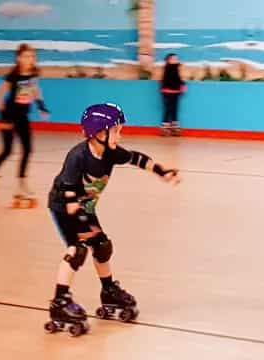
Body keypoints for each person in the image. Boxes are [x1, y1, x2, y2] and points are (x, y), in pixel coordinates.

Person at [45, 103, 180, 335]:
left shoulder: (110, 152)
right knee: (77, 250)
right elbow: (68, 193)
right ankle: (59, 301)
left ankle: (108, 291)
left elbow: (136, 158)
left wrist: (161, 171)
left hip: (84, 206)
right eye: (116, 130)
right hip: (63, 206)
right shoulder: (77, 156)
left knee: (102, 246)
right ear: (99, 133)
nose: (121, 134)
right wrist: (83, 224)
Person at [0, 43, 49, 207]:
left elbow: (35, 89)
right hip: (8, 116)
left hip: (23, 117)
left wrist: (41, 106)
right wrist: (0, 115)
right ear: (19, 58)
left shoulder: (33, 74)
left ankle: (21, 187)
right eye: (26, 56)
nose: (30, 59)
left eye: (32, 56)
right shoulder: (13, 76)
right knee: (7, 151)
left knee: (27, 149)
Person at [161, 53, 186, 136]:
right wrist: (181, 84)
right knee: (168, 110)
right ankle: (165, 128)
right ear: (169, 60)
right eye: (174, 59)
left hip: (175, 92)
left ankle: (174, 127)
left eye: (176, 59)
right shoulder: (168, 69)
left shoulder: (175, 69)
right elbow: (171, 80)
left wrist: (182, 85)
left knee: (174, 110)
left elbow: (178, 79)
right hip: (168, 92)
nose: (176, 60)